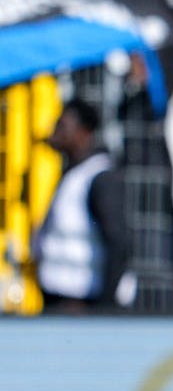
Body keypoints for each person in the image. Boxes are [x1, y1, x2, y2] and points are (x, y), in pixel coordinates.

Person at [34, 100, 129, 312]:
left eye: (62, 125)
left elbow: (118, 243)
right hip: (62, 298)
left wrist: (102, 309)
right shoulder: (74, 173)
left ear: (83, 131)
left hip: (84, 304)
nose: (54, 131)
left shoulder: (99, 177)